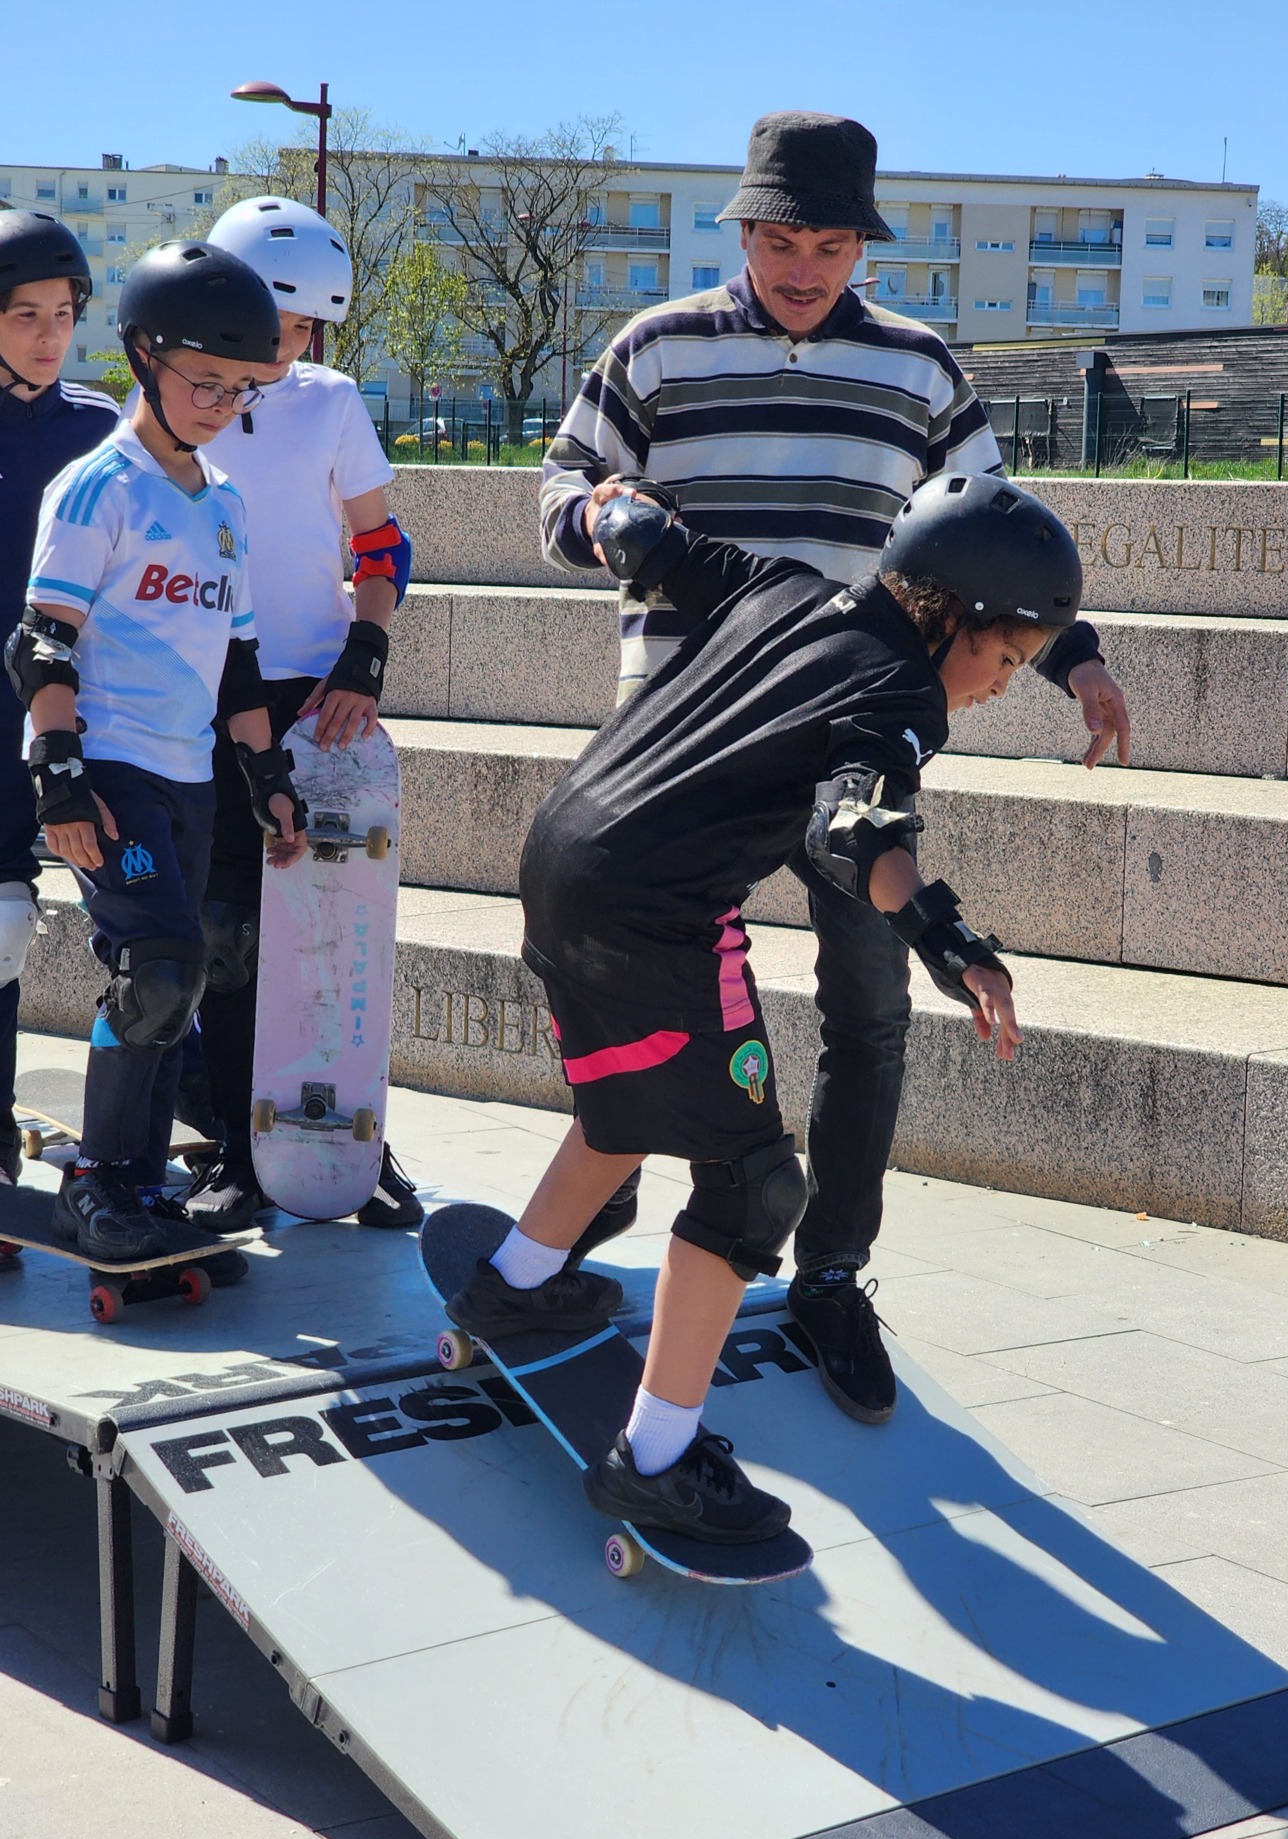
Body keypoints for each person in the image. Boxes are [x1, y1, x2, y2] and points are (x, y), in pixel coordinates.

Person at [539, 110, 1130, 1424]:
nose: (803, 269)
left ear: (863, 246)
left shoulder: (918, 367)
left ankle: (829, 1273)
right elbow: (562, 485)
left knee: (868, 1006)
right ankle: (588, 1209)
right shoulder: (656, 347)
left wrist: (1077, 660)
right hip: (686, 740)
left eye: (829, 246)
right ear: (743, 231)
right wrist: (600, 518)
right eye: (780, 242)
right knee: (635, 981)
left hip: (850, 739)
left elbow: (999, 536)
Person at [442, 471, 1086, 1541]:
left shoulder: (783, 587)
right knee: (754, 1189)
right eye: (1009, 659)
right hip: (658, 917)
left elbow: (646, 541)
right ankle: (657, 1458)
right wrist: (956, 949)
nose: (1002, 687)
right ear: (955, 616)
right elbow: (857, 832)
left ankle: (516, 1282)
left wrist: (605, 506)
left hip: (562, 856)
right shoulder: (900, 693)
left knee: (634, 1102)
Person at [6, 239, 308, 1263]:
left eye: (239, 388)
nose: (221, 404)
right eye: (202, 381)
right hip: (110, 768)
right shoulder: (98, 488)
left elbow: (239, 662)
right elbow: (40, 642)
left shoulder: (223, 503)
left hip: (191, 774)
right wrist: (59, 778)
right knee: (159, 971)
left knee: (191, 971)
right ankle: (97, 1180)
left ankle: (138, 1177)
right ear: (143, 357)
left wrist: (268, 777)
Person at [150, 195, 418, 1234]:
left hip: (312, 697)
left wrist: (365, 657)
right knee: (227, 932)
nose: (290, 346)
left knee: (338, 927)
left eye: (307, 328)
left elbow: (380, 546)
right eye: (280, 321)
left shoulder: (331, 401)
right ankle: (237, 1144)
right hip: (200, 695)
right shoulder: (176, 404)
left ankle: (357, 1141)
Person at [0, 212, 119, 1200]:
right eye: (24, 315)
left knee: (157, 946)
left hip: (64, 720)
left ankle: (139, 1159)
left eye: (64, 314)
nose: (49, 336)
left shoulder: (99, 429)